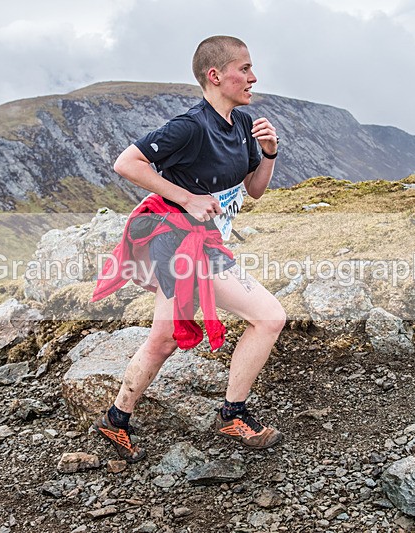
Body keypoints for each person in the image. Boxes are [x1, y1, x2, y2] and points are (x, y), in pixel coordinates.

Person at [91, 35, 286, 463]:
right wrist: (187, 198)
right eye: (245, 69)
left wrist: (270, 153)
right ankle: (233, 414)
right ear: (215, 76)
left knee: (163, 339)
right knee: (269, 316)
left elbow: (254, 190)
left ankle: (115, 419)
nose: (253, 77)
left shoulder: (242, 126)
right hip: (178, 241)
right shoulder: (191, 126)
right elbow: (126, 163)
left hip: (203, 241)